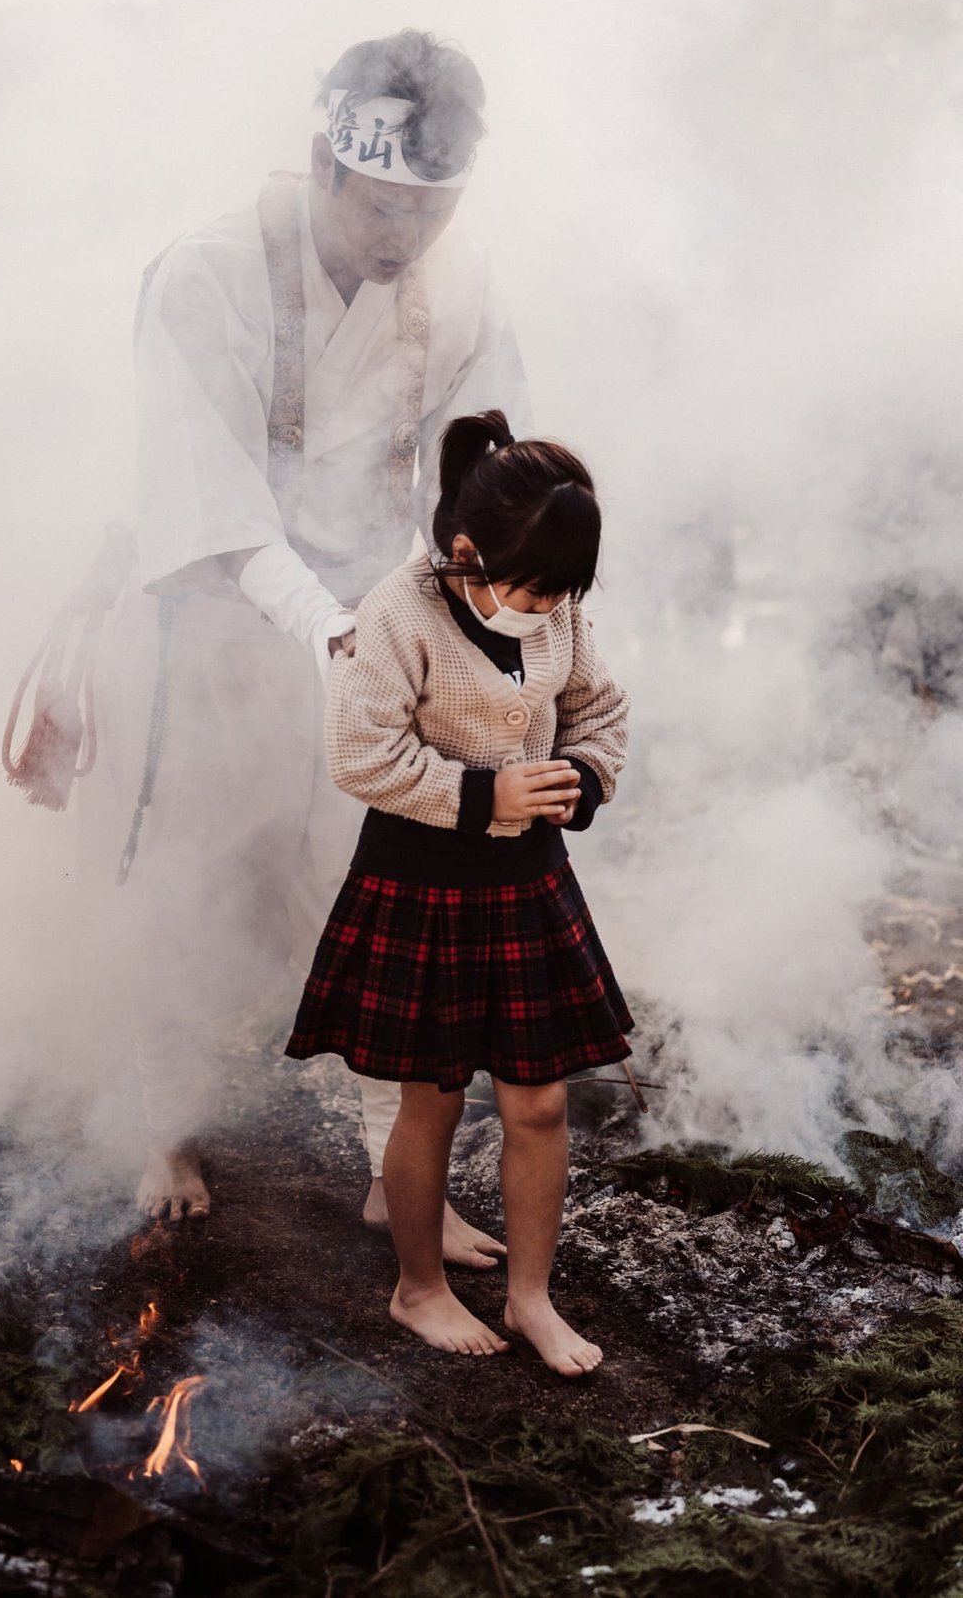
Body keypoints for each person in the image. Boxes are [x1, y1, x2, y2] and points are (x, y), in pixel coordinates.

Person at [117, 31, 532, 1264]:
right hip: (228, 601)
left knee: (392, 883)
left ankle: (388, 1170)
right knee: (203, 869)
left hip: (379, 606)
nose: (404, 238)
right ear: (324, 166)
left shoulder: (459, 287)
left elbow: (484, 469)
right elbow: (209, 493)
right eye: (384, 206)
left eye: (433, 209)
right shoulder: (206, 275)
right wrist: (331, 626)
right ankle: (168, 1127)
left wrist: (482, 603)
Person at [285, 409, 631, 1375]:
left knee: (539, 1104)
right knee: (429, 1101)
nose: (546, 609)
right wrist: (486, 792)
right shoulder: (396, 615)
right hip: (420, 882)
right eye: (530, 590)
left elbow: (598, 706)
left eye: (562, 595)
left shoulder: (553, 602)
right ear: (467, 553)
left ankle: (529, 1297)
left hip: (527, 885)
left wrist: (583, 776)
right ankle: (418, 1288)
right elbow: (361, 756)